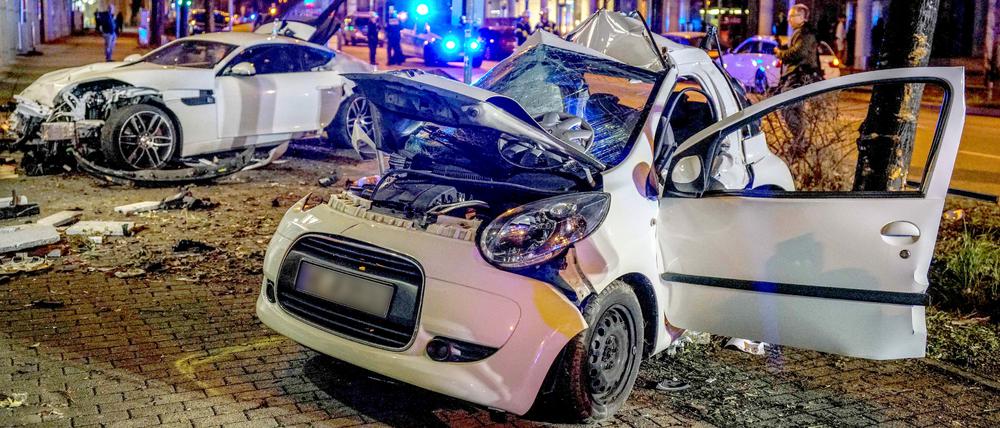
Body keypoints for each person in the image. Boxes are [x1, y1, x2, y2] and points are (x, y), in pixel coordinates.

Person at [774, 4, 821, 149]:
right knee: (796, 109)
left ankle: (799, 140)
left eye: (791, 16)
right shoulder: (803, 32)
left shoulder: (805, 33)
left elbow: (799, 53)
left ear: (801, 17)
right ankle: (800, 143)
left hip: (799, 75)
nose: (788, 20)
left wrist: (780, 53)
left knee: (786, 106)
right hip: (800, 75)